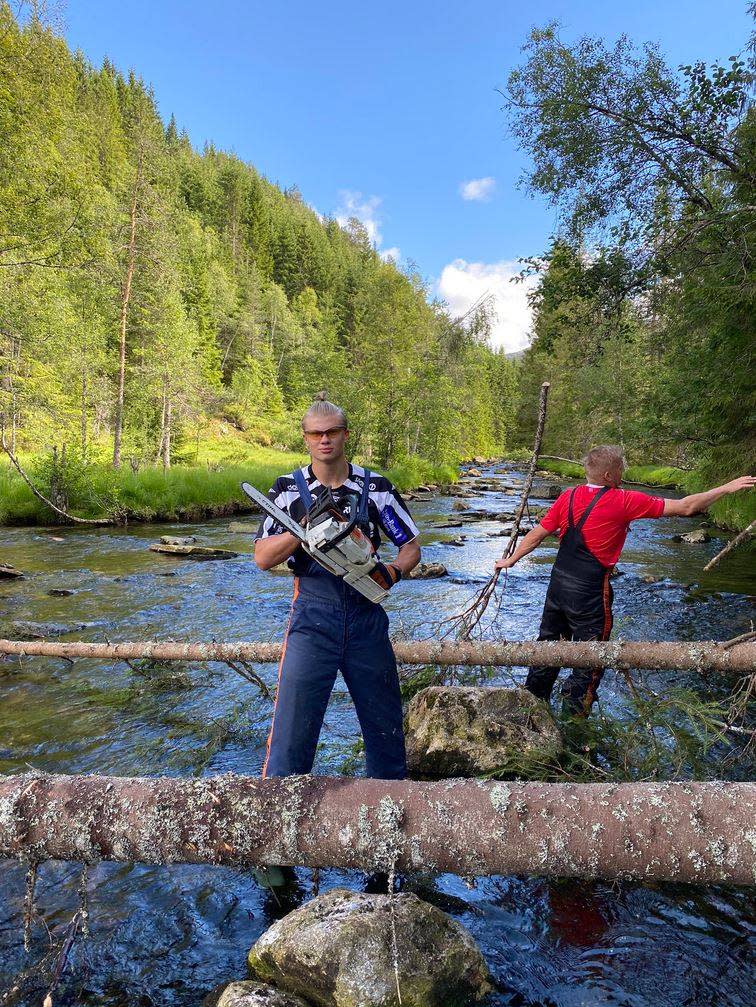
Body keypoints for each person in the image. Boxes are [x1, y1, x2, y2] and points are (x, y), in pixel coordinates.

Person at [495, 445, 755, 715]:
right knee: (591, 656)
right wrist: (726, 488)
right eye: (621, 467)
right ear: (609, 475)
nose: (624, 471)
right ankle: (575, 726)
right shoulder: (623, 500)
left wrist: (510, 560)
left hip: (557, 587)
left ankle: (530, 710)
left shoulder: (568, 496)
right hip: (590, 593)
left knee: (546, 647)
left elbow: (537, 534)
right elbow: (687, 507)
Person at [254, 393, 421, 781]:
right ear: (306, 438)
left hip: (367, 616)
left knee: (385, 727)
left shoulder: (375, 487)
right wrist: (303, 531)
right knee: (292, 730)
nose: (324, 440)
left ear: (346, 434)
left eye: (331, 432)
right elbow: (262, 557)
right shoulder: (286, 491)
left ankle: (389, 805)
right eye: (315, 434)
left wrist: (392, 573)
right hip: (313, 618)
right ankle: (280, 809)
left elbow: (410, 547)